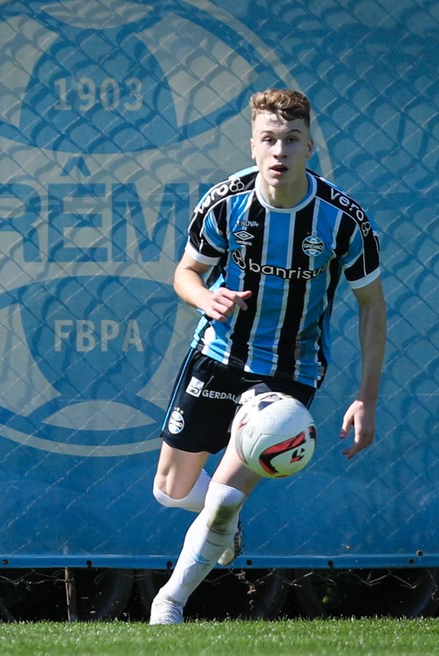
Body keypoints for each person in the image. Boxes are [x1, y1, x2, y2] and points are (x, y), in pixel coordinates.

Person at [148, 88, 387, 625]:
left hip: (289, 372)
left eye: (292, 140)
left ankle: (170, 603)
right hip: (218, 353)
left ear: (309, 147)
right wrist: (205, 296)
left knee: (227, 494)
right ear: (253, 145)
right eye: (269, 139)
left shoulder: (342, 219)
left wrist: (365, 397)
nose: (280, 151)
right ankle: (219, 527)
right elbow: (185, 273)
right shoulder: (224, 203)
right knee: (170, 490)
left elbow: (372, 306)